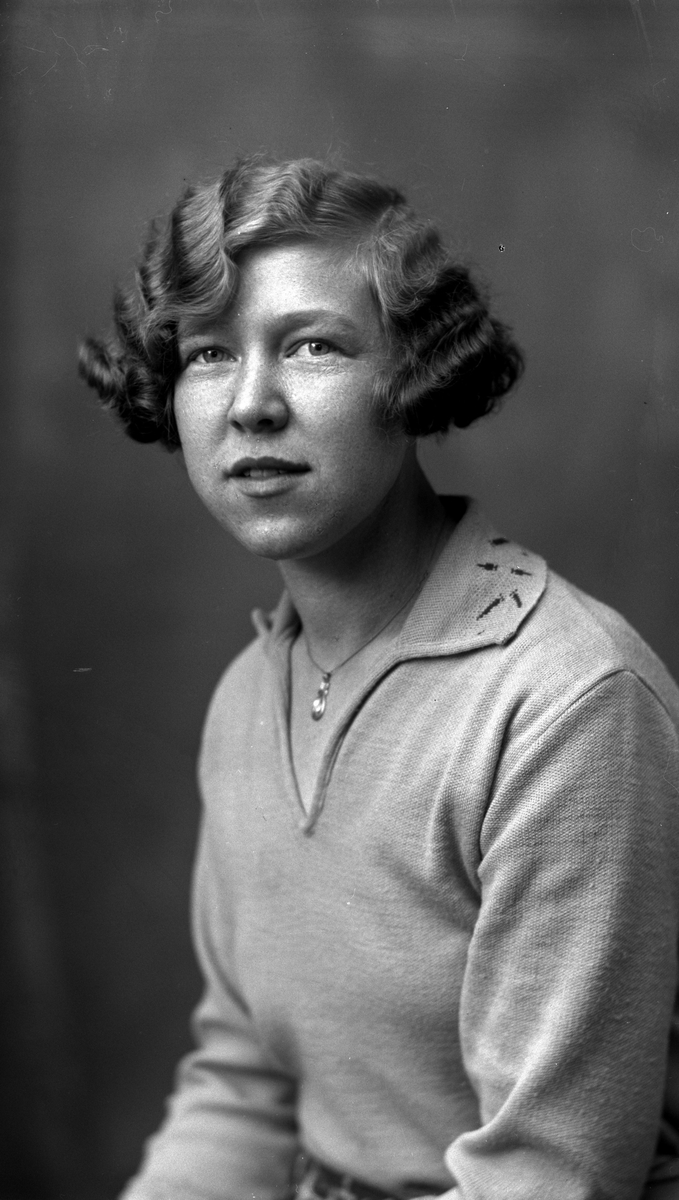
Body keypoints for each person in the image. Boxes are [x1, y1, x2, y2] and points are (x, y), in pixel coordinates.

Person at [79, 156, 679, 1200]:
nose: (251, 404)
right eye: (209, 352)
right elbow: (245, 1087)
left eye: (312, 345)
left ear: (415, 375)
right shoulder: (246, 698)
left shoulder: (566, 701)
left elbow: (551, 1175)